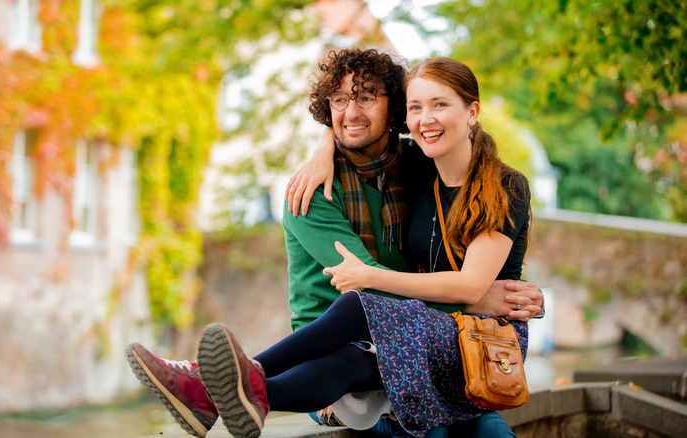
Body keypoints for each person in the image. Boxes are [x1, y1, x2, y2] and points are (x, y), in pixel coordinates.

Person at [126, 53, 536, 438]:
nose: (351, 112)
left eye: (367, 99)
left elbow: (394, 285)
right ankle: (224, 387)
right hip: (351, 348)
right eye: (338, 101)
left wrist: (475, 292)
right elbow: (382, 289)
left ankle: (212, 385)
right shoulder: (313, 192)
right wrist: (473, 296)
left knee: (364, 310)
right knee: (361, 329)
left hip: (463, 342)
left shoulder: (425, 165)